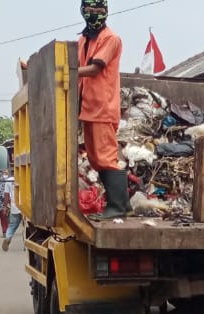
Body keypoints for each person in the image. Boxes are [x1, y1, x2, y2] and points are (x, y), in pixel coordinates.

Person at [75, 0, 127, 220]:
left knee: (105, 157)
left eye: (99, 10)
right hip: (88, 107)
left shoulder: (111, 39)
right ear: (83, 11)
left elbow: (96, 68)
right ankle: (119, 204)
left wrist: (67, 71)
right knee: (95, 159)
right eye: (90, 9)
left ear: (106, 12)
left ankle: (118, 206)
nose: (94, 13)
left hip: (103, 107)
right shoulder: (83, 39)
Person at [2, 172, 22, 251]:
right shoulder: (25, 176)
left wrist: (5, 206)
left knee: (12, 225)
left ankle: (8, 238)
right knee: (27, 227)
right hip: (27, 205)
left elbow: (6, 195)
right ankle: (26, 246)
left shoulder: (9, 181)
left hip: (15, 206)